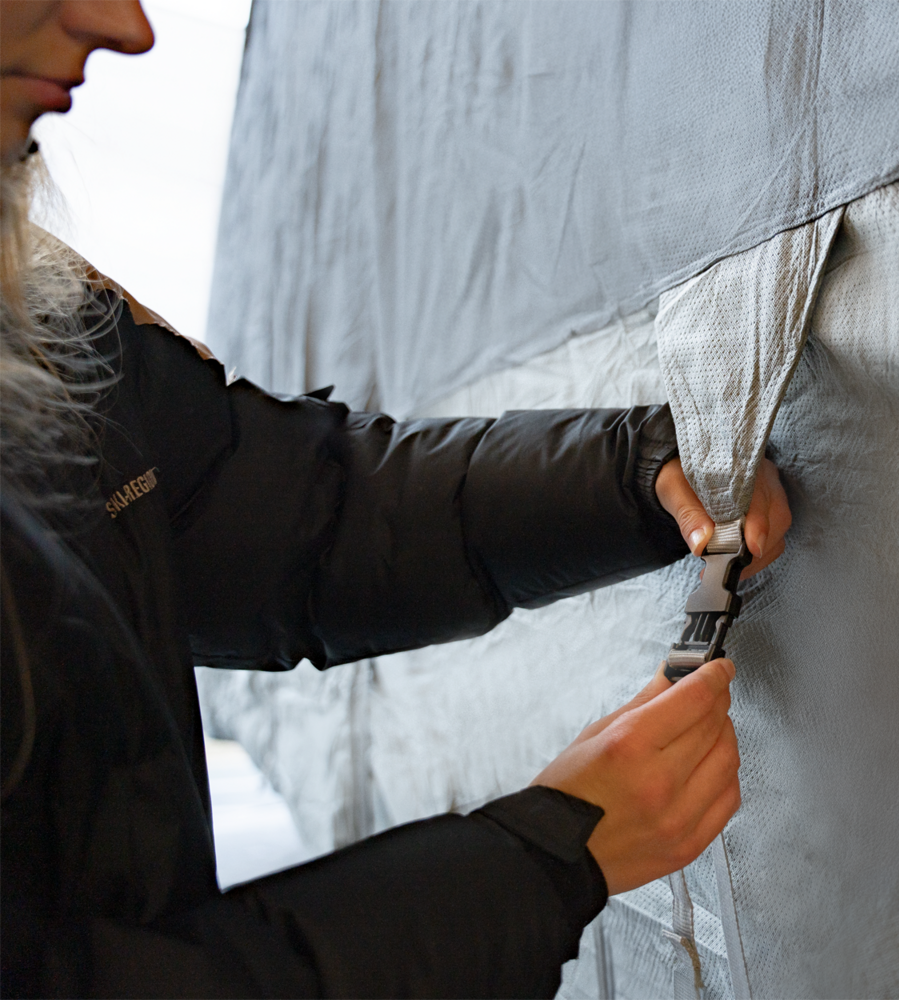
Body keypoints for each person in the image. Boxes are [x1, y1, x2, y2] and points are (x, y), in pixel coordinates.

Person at [0, 2, 793, 995]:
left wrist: (629, 472)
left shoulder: (39, 330)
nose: (126, 27)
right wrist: (539, 861)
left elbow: (296, 516)